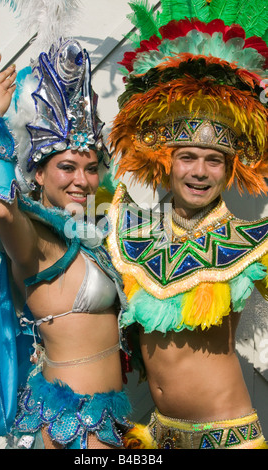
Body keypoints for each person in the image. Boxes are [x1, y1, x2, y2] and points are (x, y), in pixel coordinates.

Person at [106, 0, 268, 449]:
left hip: (226, 436)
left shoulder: (252, 242)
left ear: (229, 169)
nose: (199, 172)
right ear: (166, 162)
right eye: (188, 158)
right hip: (156, 435)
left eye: (213, 160)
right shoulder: (129, 230)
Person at [0, 38, 131, 449]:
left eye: (91, 168)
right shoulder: (35, 241)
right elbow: (4, 211)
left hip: (108, 427)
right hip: (67, 433)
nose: (82, 180)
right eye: (66, 167)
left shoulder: (92, 235)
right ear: (38, 174)